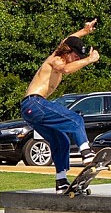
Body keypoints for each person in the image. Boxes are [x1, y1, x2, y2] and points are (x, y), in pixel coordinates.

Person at [19, 20, 102, 193]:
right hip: (34, 103)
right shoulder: (56, 60)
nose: (77, 60)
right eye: (76, 56)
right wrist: (89, 60)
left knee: (61, 141)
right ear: (68, 52)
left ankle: (61, 181)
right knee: (75, 119)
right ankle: (86, 153)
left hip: (30, 110)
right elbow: (66, 69)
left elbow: (68, 39)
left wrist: (85, 31)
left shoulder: (62, 49)